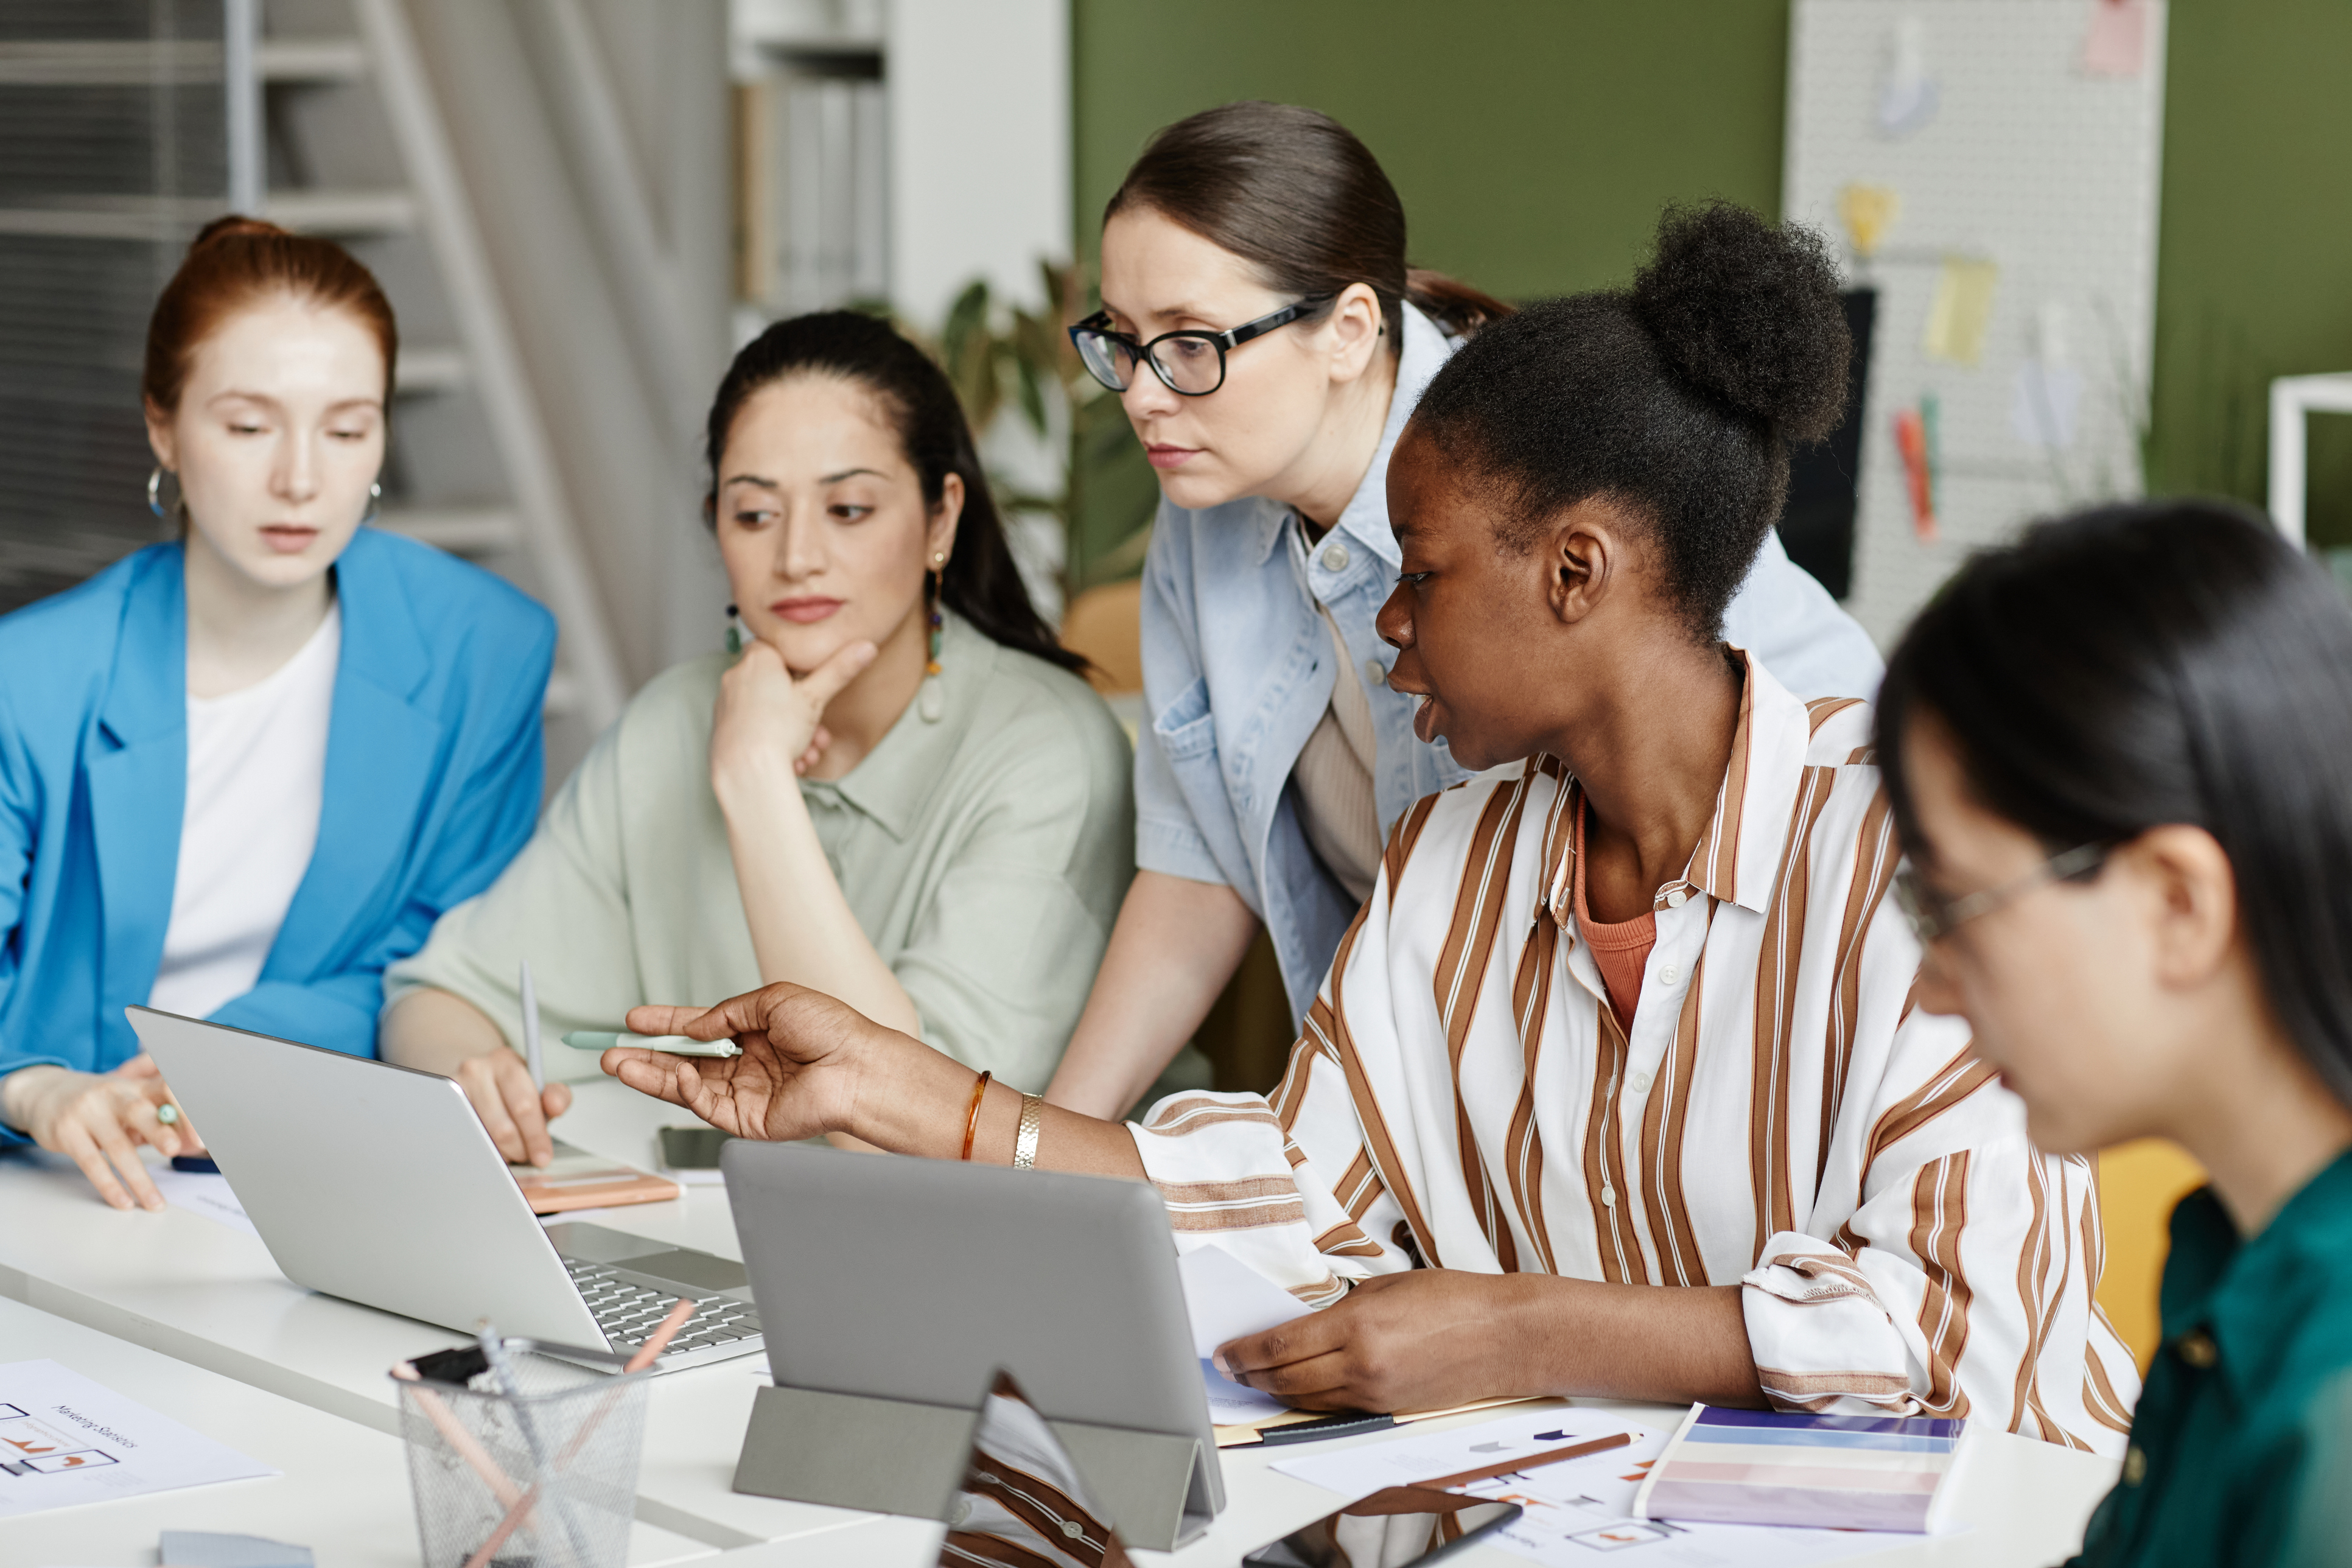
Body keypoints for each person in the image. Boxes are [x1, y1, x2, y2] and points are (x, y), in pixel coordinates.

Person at [597, 205, 2130, 1444]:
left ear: (1576, 575)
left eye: (1424, 573)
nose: (1382, 624)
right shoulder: (1460, 857)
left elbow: (1948, 1322)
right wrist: (907, 1096)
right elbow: (1294, 1183)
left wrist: (1509, 1322)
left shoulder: (1924, 849)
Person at [1046, 102, 1886, 1120]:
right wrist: (1044, 1151)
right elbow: (1198, 870)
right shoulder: (1206, 501)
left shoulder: (1547, 477)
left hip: (1675, 1050)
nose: (1140, 394)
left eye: (1187, 345)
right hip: (1430, 1074)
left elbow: (1826, 803)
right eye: (1121, 342)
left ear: (1350, 330)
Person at [381, 311, 1135, 1164]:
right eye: (753, 515)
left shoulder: (1051, 754)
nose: (797, 556)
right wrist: (471, 1080)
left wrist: (752, 776)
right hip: (708, 1242)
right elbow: (435, 996)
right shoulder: (671, 720)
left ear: (940, 520)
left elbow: (900, 1146)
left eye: (848, 508)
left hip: (994, 1264)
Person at [0, 216, 556, 1211]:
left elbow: (438, 951)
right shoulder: (32, 679)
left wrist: (225, 1062)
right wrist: (38, 1090)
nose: (302, 478)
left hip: (332, 1160)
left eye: (347, 429)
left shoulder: (485, 651)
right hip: (57, 1185)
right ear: (163, 427)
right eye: (249, 426)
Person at [1874, 502, 2352, 1564]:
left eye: (1949, 910)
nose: (1935, 993)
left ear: (2177, 903)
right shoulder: (2235, 1261)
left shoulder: (2333, 1399)